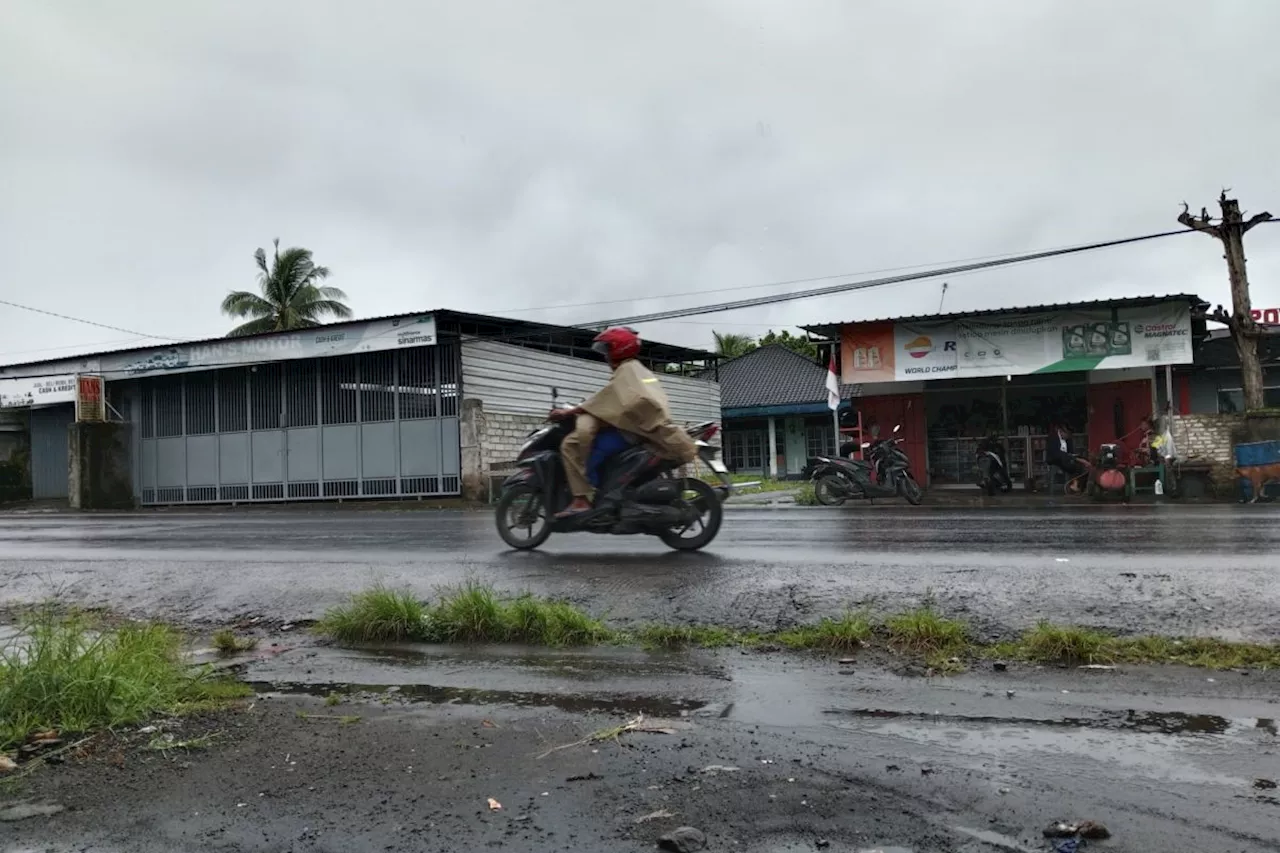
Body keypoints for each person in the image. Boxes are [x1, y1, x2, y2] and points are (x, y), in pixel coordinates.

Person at [550, 327, 698, 518]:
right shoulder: (638, 370)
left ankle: (582, 499)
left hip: (631, 432)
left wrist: (569, 411)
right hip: (644, 429)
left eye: (607, 350)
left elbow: (602, 400)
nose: (605, 356)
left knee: (571, 446)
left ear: (617, 349)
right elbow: (610, 399)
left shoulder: (625, 371)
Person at [1045, 422, 1088, 492]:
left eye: (1069, 435)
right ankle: (1073, 484)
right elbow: (1055, 453)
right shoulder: (1052, 438)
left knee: (1082, 463)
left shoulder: (1068, 439)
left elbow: (1071, 452)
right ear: (1061, 432)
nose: (1068, 436)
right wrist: (1073, 457)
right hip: (1055, 459)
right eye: (1067, 434)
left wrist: (1077, 457)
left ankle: (1076, 484)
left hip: (1066, 458)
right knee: (1071, 463)